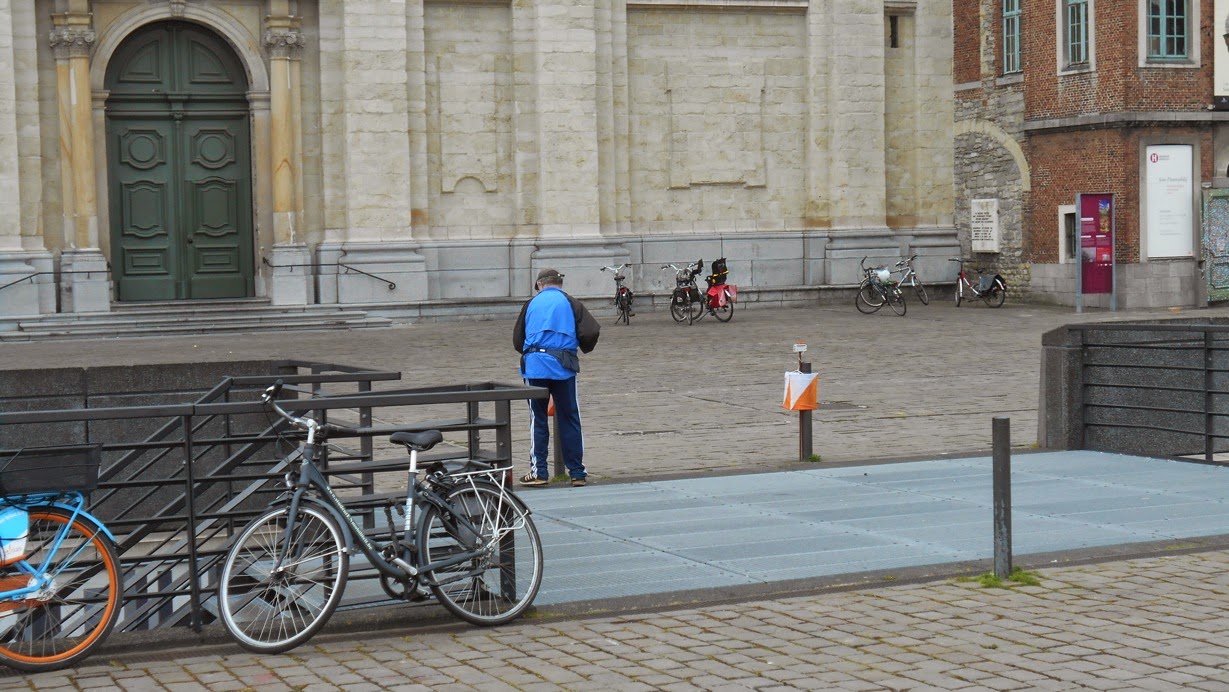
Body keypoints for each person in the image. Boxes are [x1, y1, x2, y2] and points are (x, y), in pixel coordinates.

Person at [513, 268, 600, 487]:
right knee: (569, 417)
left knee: (538, 418)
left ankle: (539, 472)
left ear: (539, 284)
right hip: (563, 365)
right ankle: (577, 472)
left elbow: (517, 339)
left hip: (535, 366)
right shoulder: (571, 303)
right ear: (559, 284)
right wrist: (581, 347)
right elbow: (590, 331)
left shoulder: (530, 304)